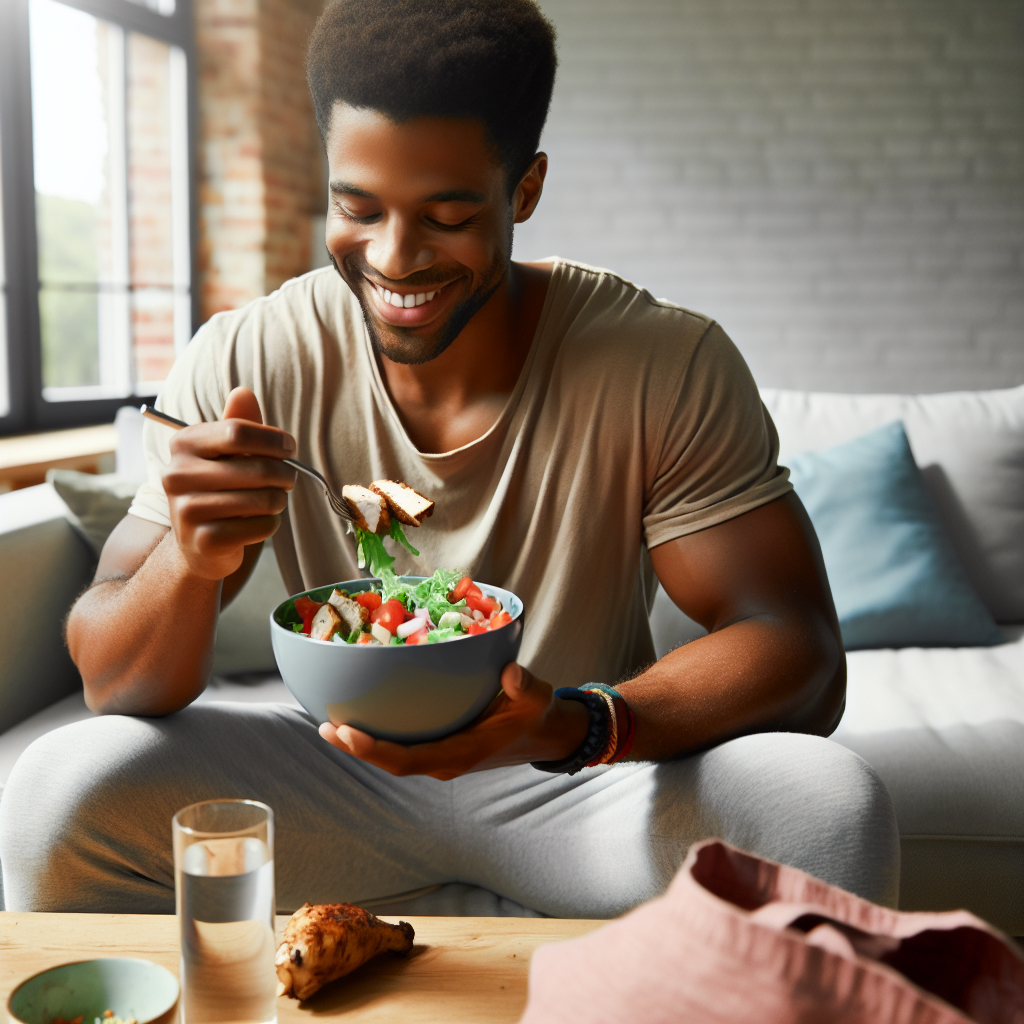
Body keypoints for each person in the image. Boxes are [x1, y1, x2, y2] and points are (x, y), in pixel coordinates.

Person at [0, 0, 898, 916]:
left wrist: (576, 721)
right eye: (358, 207)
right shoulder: (244, 359)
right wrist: (193, 562)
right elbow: (113, 678)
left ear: (525, 190)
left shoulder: (662, 359)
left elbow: (800, 652)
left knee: (828, 809)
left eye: (448, 214)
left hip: (576, 774)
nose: (396, 260)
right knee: (58, 791)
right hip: (336, 775)